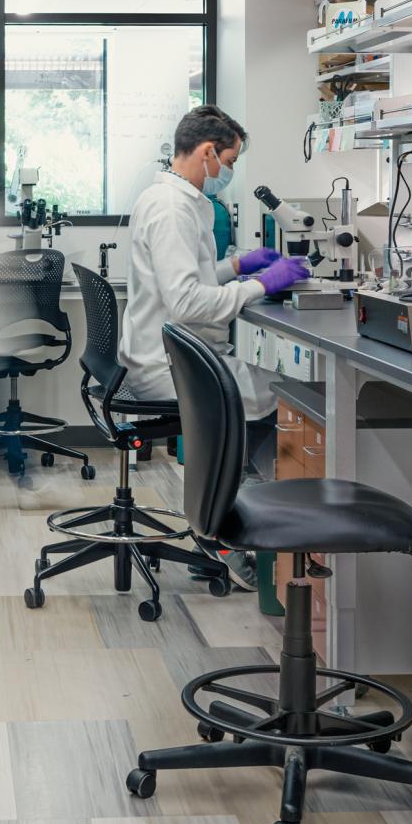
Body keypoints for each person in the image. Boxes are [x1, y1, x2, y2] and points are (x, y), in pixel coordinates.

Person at [117, 105, 310, 588]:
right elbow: (185, 300)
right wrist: (264, 286)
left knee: (267, 391)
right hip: (170, 365)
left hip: (168, 354)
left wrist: (239, 267)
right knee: (280, 395)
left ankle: (236, 511)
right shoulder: (172, 208)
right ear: (207, 152)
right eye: (230, 160)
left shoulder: (173, 200)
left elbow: (189, 280)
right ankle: (235, 529)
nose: (228, 172)